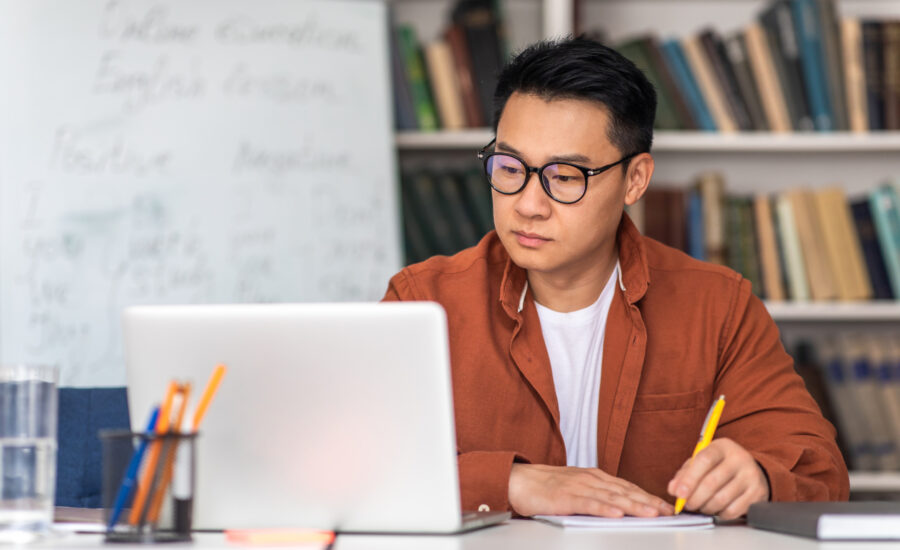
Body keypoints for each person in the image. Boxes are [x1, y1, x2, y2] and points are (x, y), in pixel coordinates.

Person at [382, 36, 848, 520]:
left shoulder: (716, 306)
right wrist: (512, 482)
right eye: (510, 166)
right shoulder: (422, 302)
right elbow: (350, 471)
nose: (527, 204)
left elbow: (821, 473)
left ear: (635, 180)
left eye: (564, 177)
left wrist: (761, 478)